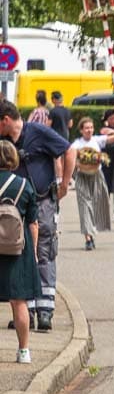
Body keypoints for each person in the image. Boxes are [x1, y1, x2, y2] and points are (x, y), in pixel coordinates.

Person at [0, 100, 69, 332]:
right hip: (18, 207)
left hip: (42, 202)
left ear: (6, 120)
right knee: (20, 254)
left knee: (44, 253)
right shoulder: (6, 142)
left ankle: (46, 311)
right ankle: (26, 311)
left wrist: (65, 184)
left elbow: (69, 150)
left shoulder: (38, 132)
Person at [0, 141, 39, 363]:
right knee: (19, 302)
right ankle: (24, 351)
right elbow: (33, 223)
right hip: (18, 249)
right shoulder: (24, 185)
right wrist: (33, 252)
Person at [68, 117, 114, 250]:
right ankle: (88, 238)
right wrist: (70, 176)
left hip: (97, 176)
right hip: (83, 177)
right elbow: (70, 159)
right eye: (86, 128)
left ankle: (92, 230)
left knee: (98, 203)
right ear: (81, 130)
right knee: (84, 206)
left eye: (91, 127)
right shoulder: (76, 144)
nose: (89, 130)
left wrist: (110, 130)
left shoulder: (97, 140)